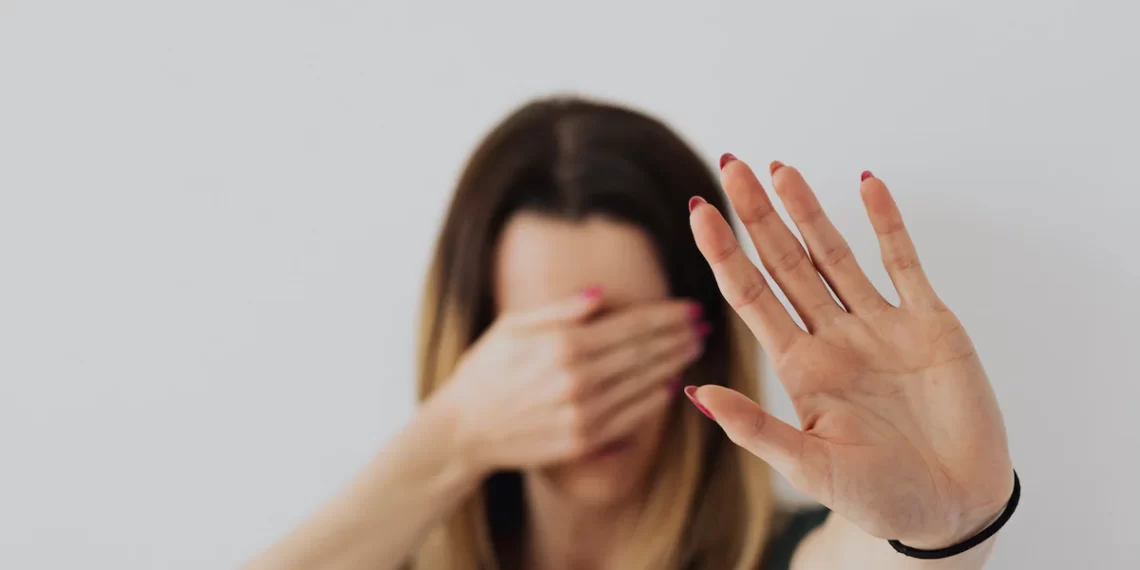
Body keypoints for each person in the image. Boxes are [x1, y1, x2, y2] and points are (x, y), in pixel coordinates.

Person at [241, 97, 1016, 570]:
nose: (585, 389)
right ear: (472, 349)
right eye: (548, 345)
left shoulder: (790, 553)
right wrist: (452, 438)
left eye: (635, 341)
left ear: (703, 339)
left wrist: (950, 526)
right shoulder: (383, 553)